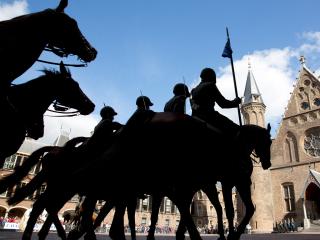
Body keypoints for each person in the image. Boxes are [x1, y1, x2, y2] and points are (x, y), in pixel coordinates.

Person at [190, 67, 241, 137]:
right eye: (214, 76)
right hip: (210, 116)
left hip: (196, 117)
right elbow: (223, 104)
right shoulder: (210, 85)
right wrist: (236, 102)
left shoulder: (194, 90)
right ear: (211, 76)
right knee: (236, 129)